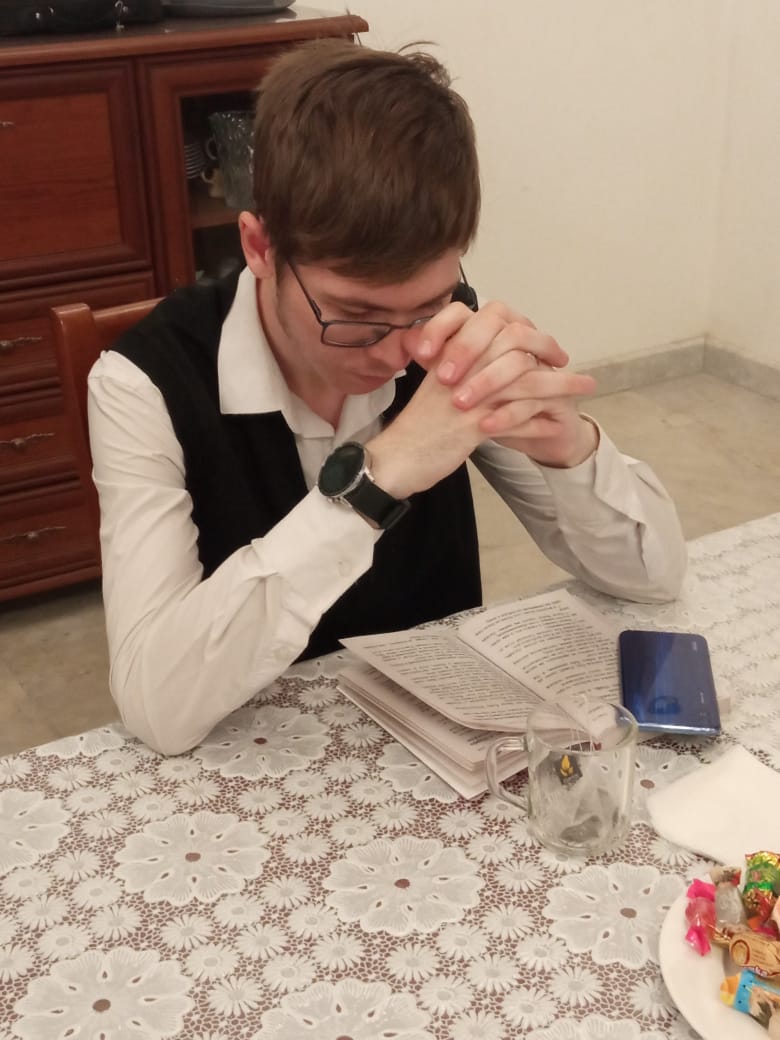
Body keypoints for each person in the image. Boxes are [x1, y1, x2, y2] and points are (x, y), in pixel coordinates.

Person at [88, 38, 687, 756]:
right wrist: (375, 480)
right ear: (260, 247)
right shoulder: (141, 384)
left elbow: (652, 583)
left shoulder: (451, 334)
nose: (398, 352)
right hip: (258, 753)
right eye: (355, 316)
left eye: (427, 305)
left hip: (445, 747)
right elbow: (157, 708)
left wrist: (573, 453)